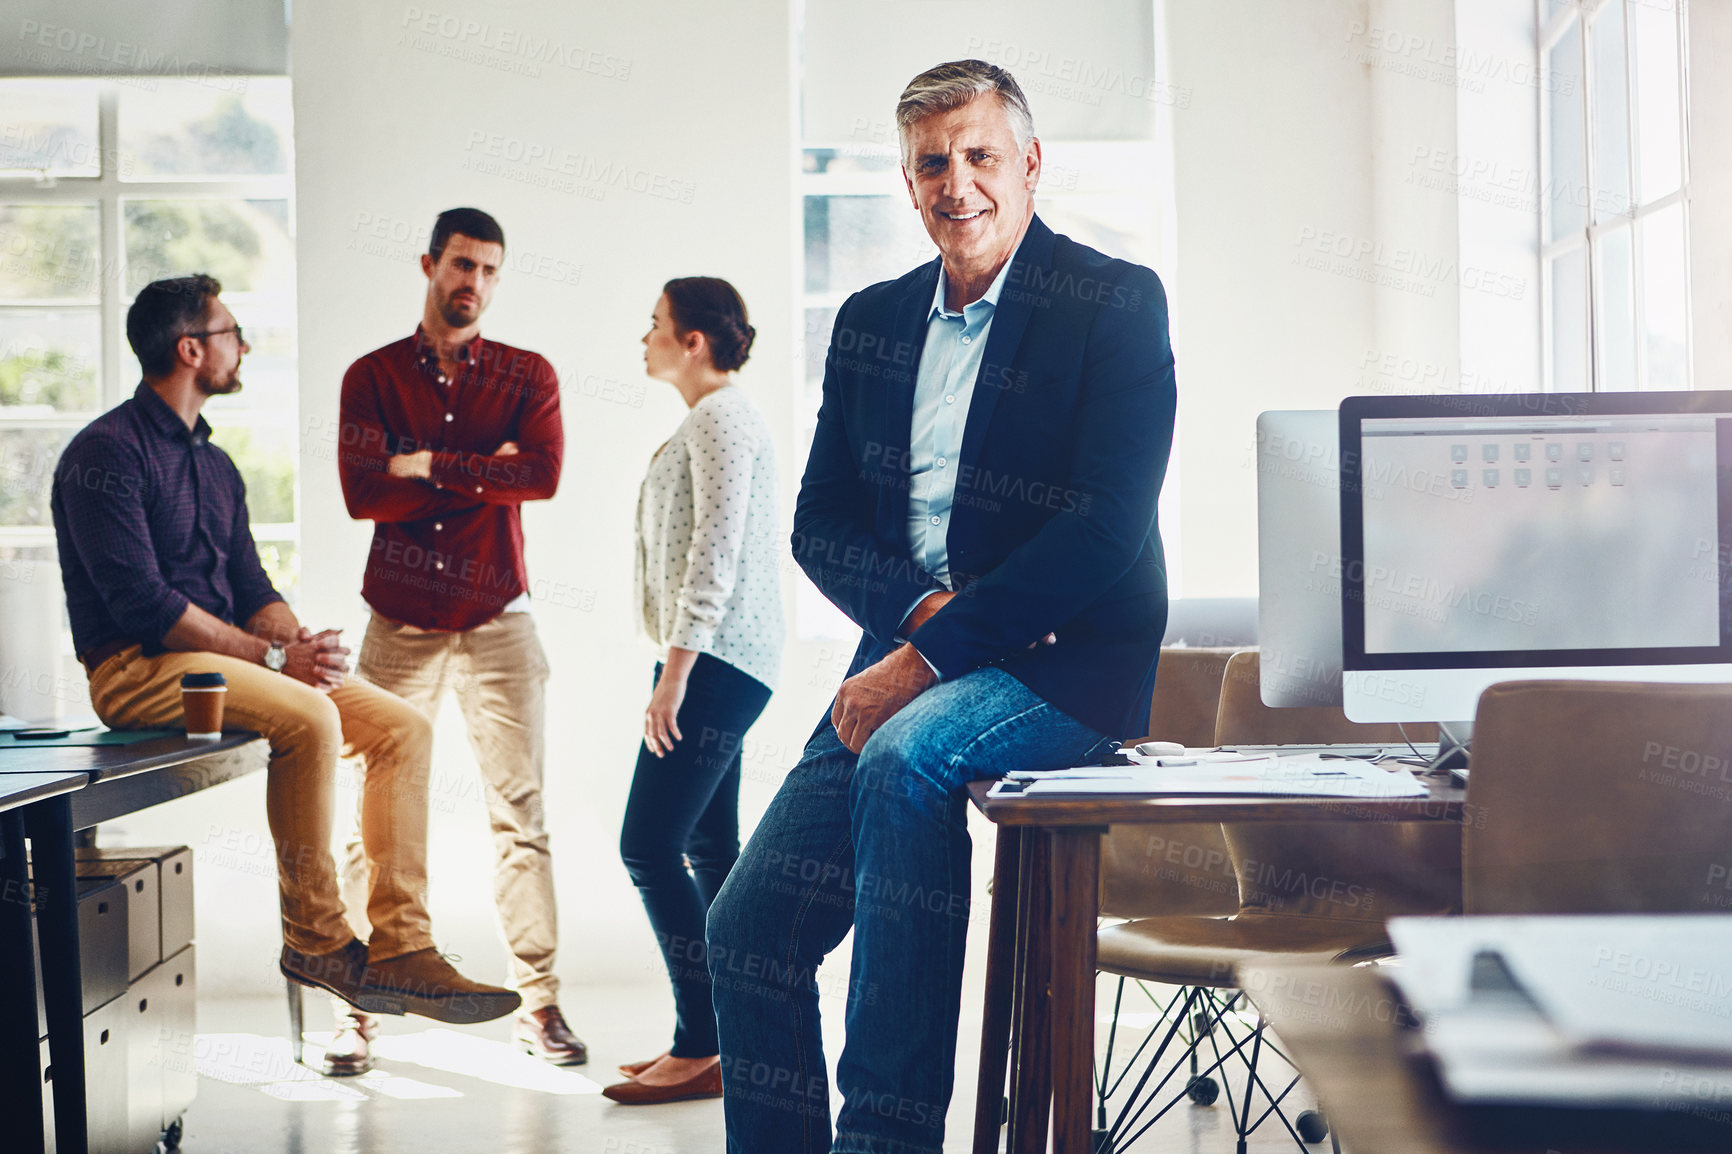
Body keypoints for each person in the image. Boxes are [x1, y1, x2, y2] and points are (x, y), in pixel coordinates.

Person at [705, 59, 1177, 1153]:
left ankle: (889, 1133)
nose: (955, 182)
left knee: (903, 756)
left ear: (1029, 164)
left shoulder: (1111, 301)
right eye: (930, 162)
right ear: (907, 182)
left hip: (1061, 666)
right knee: (747, 932)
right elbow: (820, 521)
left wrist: (927, 656)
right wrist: (919, 618)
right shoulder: (872, 320)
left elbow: (1104, 528)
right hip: (912, 649)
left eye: (978, 155)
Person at [51, 274, 520, 1034]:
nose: (245, 346)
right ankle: (318, 941)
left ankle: (403, 949)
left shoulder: (215, 466)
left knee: (404, 728)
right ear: (191, 348)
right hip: (135, 672)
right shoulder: (104, 454)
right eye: (232, 332)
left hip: (227, 667)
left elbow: (250, 585)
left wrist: (299, 642)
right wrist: (277, 667)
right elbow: (146, 605)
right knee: (306, 715)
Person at [333, 207, 582, 1075]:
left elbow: (541, 475)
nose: (473, 282)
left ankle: (539, 1002)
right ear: (430, 263)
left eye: (488, 270)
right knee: (372, 820)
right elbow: (363, 495)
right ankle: (356, 1009)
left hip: (497, 621)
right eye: (462, 265)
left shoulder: (526, 375)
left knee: (521, 816)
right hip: (398, 619)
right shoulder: (370, 377)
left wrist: (428, 465)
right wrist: (485, 474)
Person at [605, 278, 785, 1105]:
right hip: (717, 658)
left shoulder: (719, 418)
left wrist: (672, 675)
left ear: (695, 341)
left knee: (647, 844)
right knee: (710, 849)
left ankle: (700, 1041)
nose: (644, 336)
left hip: (711, 662)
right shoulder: (712, 419)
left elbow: (714, 550)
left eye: (655, 325)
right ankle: (728, 1045)